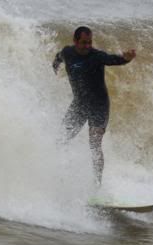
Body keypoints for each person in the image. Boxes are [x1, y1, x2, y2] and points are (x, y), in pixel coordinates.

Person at [52, 25, 136, 185]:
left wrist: (126, 58)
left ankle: (97, 185)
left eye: (89, 42)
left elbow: (113, 59)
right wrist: (55, 67)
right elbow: (58, 58)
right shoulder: (67, 52)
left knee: (94, 144)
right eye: (84, 42)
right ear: (75, 41)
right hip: (79, 105)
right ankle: (61, 178)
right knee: (61, 140)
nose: (87, 46)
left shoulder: (97, 56)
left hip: (99, 106)